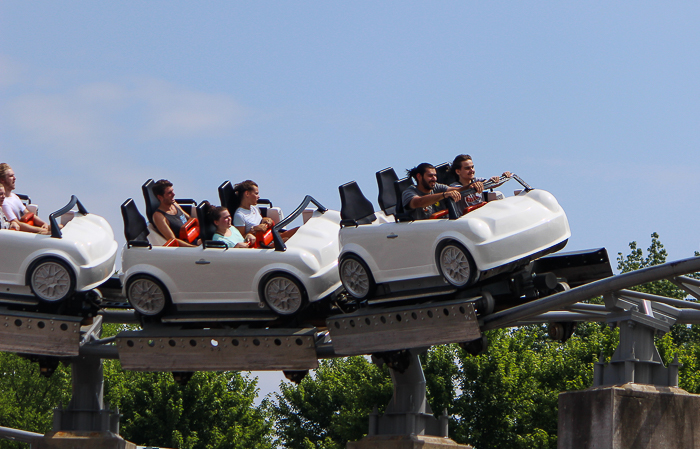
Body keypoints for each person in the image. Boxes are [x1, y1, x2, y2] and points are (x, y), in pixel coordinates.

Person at [233, 180, 298, 241]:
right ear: (247, 194)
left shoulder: (254, 208)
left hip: (269, 236)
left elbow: (260, 219)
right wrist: (254, 229)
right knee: (286, 240)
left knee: (298, 230)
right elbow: (241, 239)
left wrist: (265, 219)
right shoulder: (239, 215)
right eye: (256, 194)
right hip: (260, 244)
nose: (258, 196)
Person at [0, 163, 50, 234]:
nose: (15, 178)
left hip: (31, 227)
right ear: (2, 180)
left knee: (60, 227)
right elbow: (17, 224)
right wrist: (40, 230)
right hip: (23, 234)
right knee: (51, 233)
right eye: (11, 176)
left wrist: (44, 224)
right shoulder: (3, 202)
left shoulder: (14, 196)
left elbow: (29, 214)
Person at [151, 179, 200, 247]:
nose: (173, 194)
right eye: (169, 193)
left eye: (172, 191)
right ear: (160, 197)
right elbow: (173, 240)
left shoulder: (174, 204)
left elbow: (189, 218)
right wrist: (195, 248)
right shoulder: (159, 216)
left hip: (195, 237)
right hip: (187, 246)